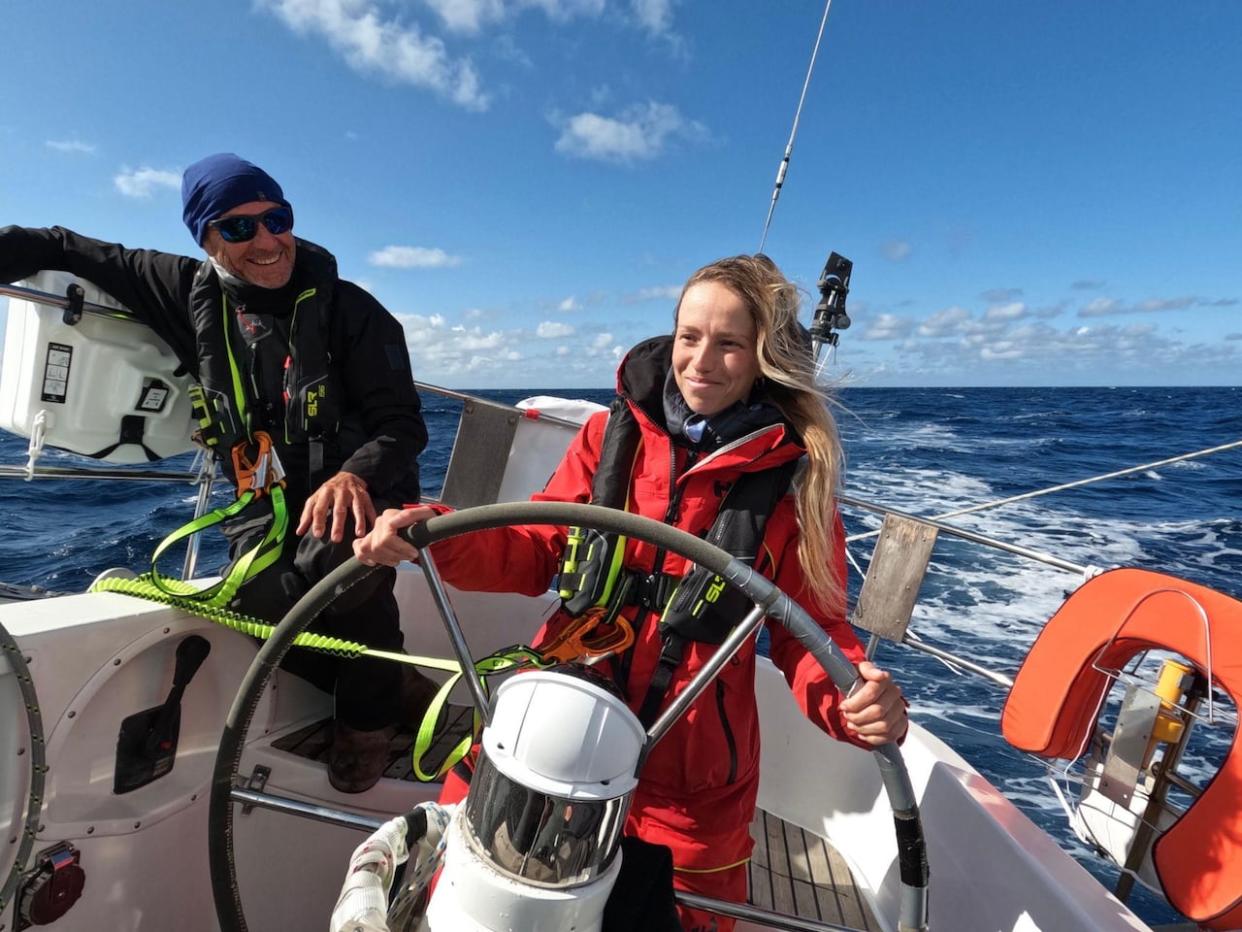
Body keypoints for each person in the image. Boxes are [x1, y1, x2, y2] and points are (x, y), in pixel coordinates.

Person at [354, 254, 908, 930]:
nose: (702, 360)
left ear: (764, 357)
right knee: (468, 890)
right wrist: (437, 535)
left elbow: (810, 633)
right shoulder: (605, 437)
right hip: (554, 722)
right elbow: (534, 547)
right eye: (690, 336)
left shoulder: (798, 488)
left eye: (730, 343)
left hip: (691, 772)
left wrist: (852, 701)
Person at [0, 153, 438, 793]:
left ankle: (366, 725)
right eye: (238, 228)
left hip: (358, 490)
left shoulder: (355, 311)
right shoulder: (182, 288)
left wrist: (356, 478)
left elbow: (403, 423)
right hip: (260, 496)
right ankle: (389, 682)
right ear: (205, 239)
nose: (266, 240)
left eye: (276, 219)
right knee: (256, 602)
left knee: (340, 577)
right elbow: (65, 247)